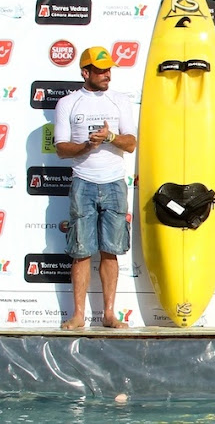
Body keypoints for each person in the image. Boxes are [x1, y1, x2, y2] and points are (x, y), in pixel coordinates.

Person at [54, 46, 137, 330]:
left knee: (111, 251)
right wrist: (87, 146)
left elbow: (131, 143)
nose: (107, 75)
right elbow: (61, 149)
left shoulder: (120, 100)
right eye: (100, 70)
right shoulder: (68, 103)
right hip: (83, 182)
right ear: (85, 72)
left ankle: (109, 314)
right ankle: (78, 315)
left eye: (109, 69)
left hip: (114, 183)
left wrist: (110, 137)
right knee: (80, 251)